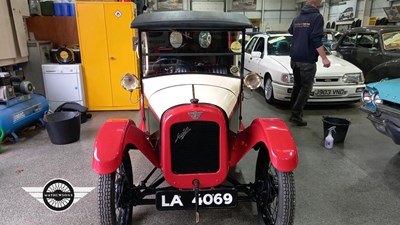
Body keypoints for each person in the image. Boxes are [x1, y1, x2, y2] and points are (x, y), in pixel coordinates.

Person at [288, 0, 331, 126]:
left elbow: (291, 31)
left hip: (294, 58)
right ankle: (296, 114)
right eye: (320, 4)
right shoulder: (317, 17)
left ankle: (293, 112)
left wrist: (301, 32)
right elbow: (315, 39)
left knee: (297, 85)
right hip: (306, 59)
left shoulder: (297, 18)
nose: (320, 6)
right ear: (316, 4)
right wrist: (324, 58)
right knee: (306, 88)